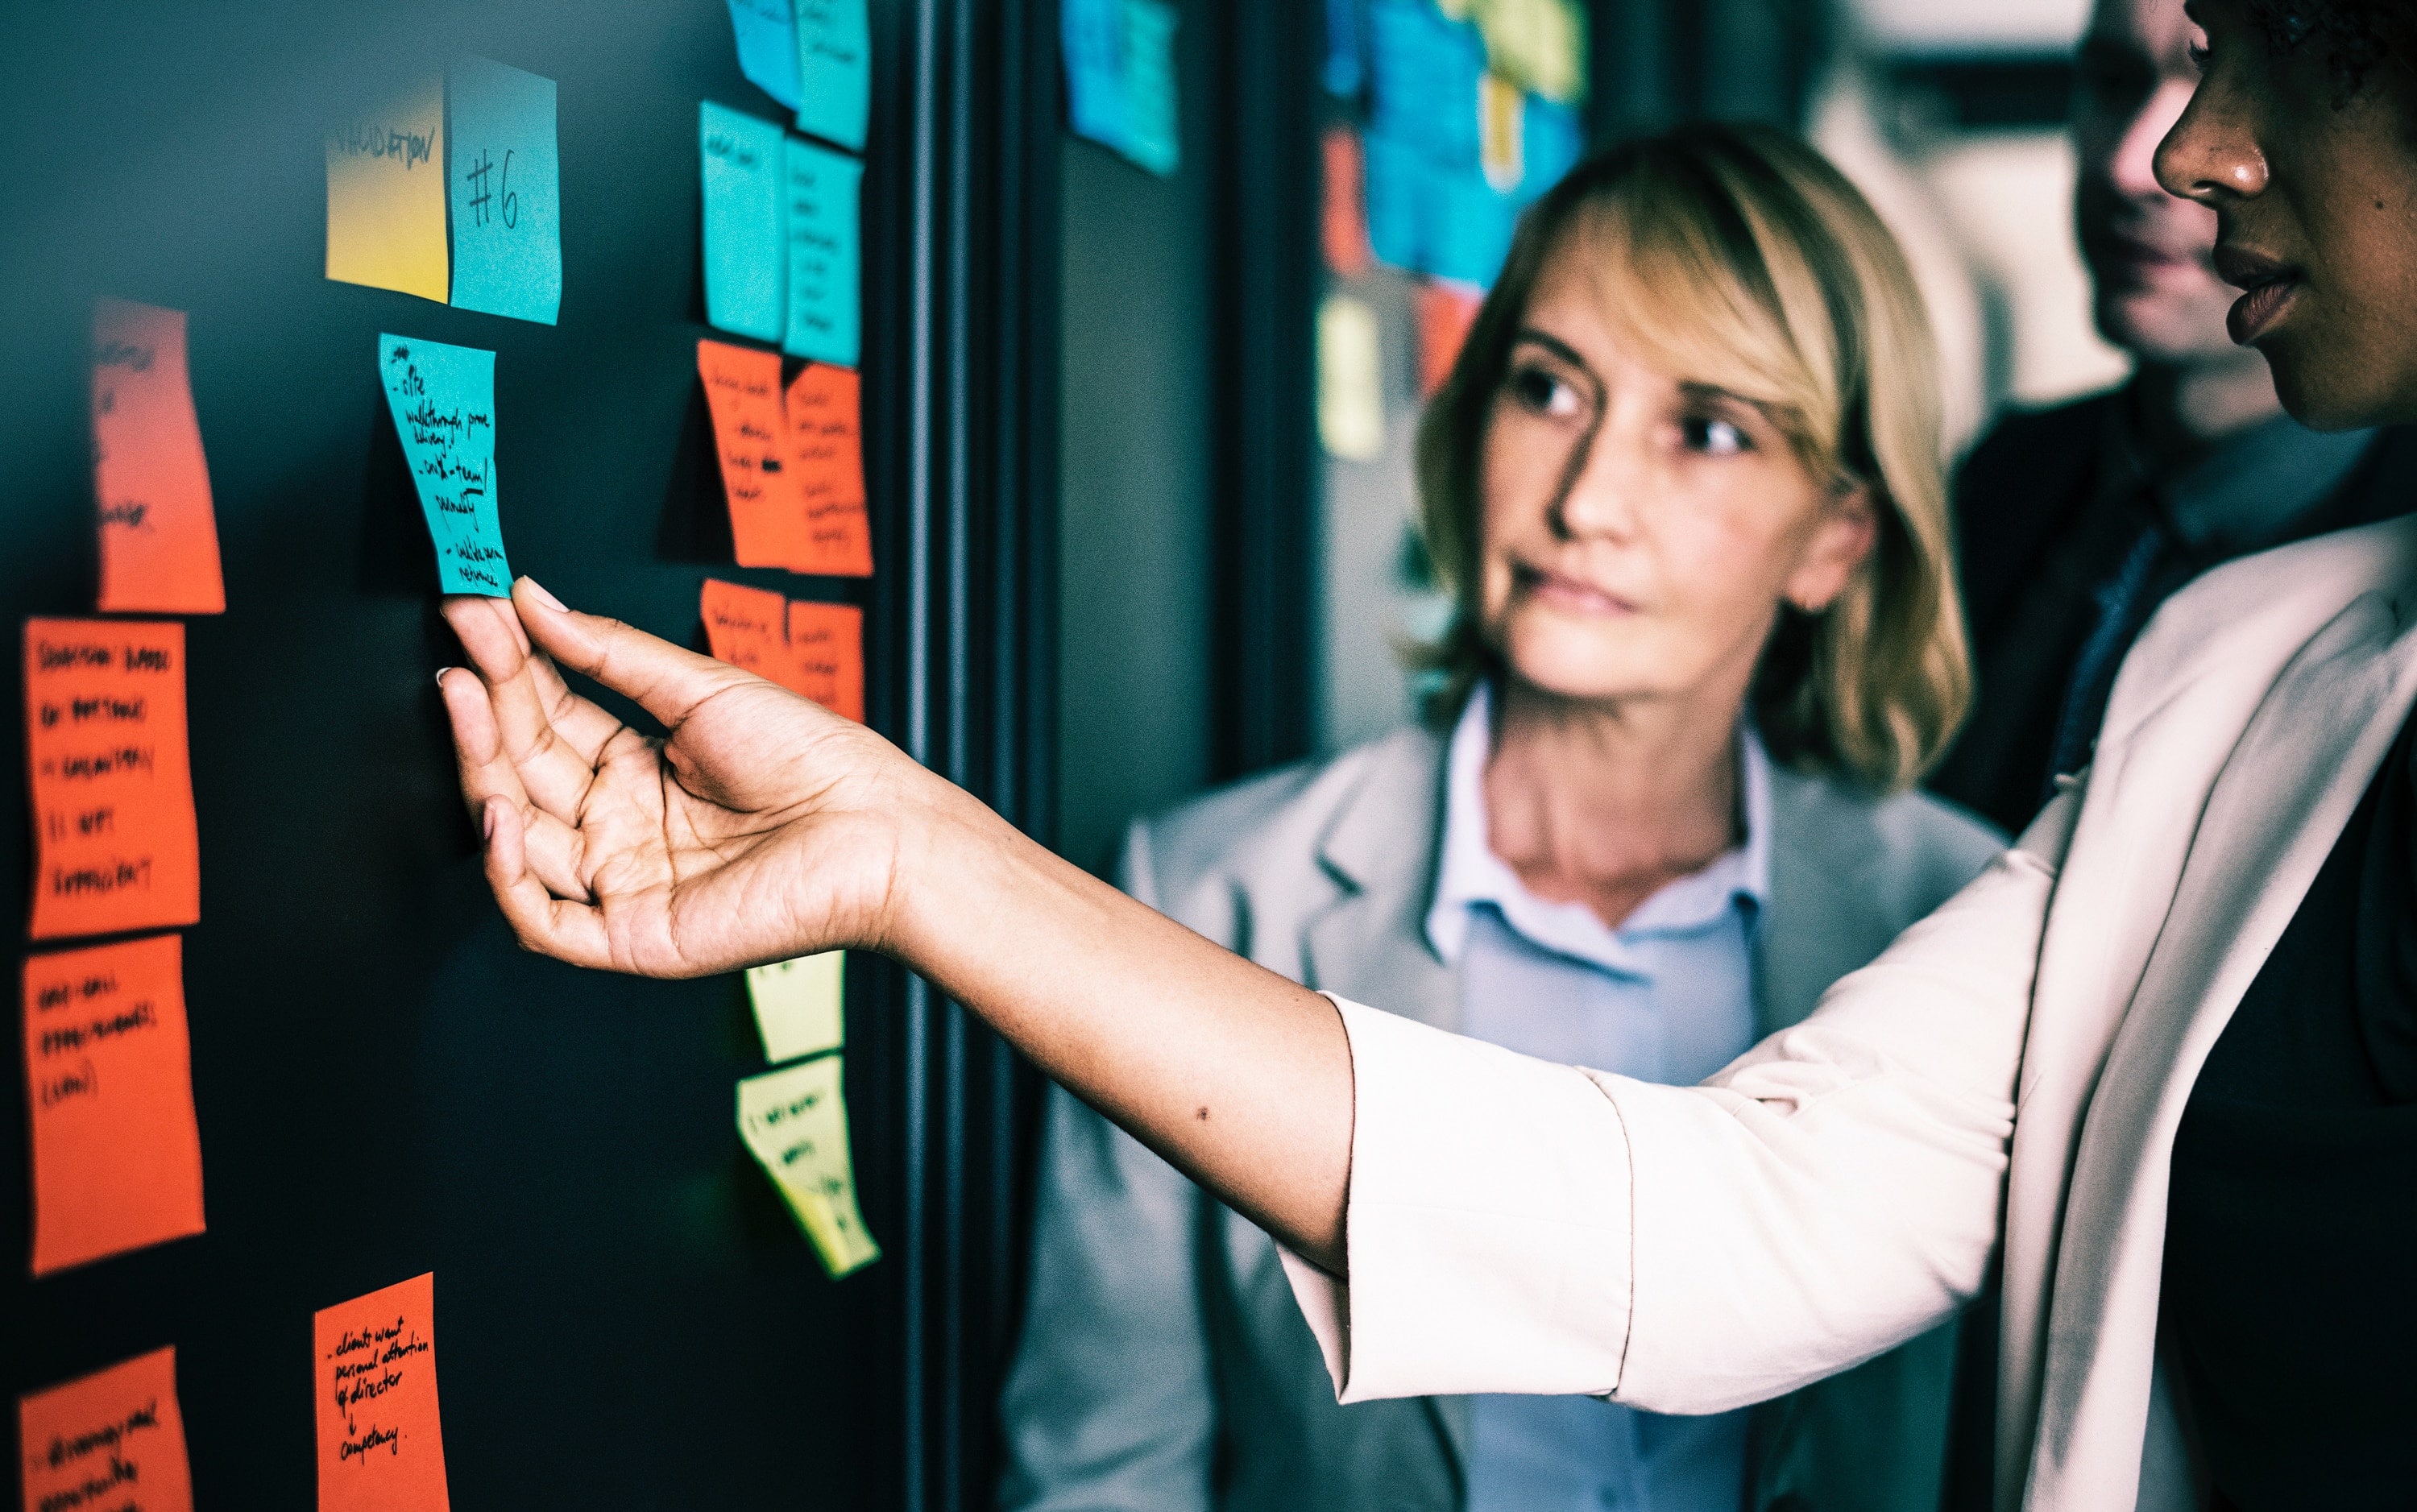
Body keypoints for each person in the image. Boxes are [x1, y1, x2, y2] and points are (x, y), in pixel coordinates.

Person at [430, 3, 2417, 1502]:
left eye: (2279, 40)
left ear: (1838, 530)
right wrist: (901, 852)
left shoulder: (1918, 863)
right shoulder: (2237, 680)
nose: (2187, 149)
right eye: (1546, 388)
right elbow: (1715, 1230)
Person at [997, 127, 2002, 1512]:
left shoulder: (1961, 925)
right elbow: (1105, 1476)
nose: (1587, 499)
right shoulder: (1213, 893)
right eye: (1549, 389)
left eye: (1706, 430)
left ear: (1839, 535)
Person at [1930, 0, 2417, 837]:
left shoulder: (2398, 570)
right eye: (2112, 83)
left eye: (2237, 84)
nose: (2138, 165)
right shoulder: (1994, 482)